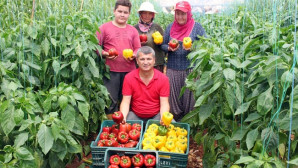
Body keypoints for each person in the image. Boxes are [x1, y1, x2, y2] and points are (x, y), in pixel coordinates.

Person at [161, 1, 206, 121]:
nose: (180, 17)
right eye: (178, 13)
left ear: (189, 14)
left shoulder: (197, 27)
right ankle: (177, 124)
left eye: (183, 14)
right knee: (173, 98)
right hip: (172, 68)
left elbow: (206, 45)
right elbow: (163, 45)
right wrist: (169, 48)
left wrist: (193, 48)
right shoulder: (170, 27)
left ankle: (189, 123)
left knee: (190, 99)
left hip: (190, 69)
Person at [96, 0, 141, 119]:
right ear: (114, 11)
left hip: (129, 72)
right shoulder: (104, 28)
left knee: (127, 99)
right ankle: (111, 126)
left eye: (125, 12)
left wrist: (135, 54)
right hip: (111, 71)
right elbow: (95, 47)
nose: (122, 14)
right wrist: (105, 54)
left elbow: (137, 48)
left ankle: (126, 125)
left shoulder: (132, 30)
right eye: (120, 11)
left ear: (129, 14)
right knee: (111, 100)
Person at [120, 46, 170, 124]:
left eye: (149, 59)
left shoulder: (163, 79)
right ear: (137, 61)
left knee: (171, 125)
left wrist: (163, 118)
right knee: (124, 126)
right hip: (135, 116)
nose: (145, 62)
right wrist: (123, 117)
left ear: (154, 61)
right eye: (142, 59)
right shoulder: (129, 77)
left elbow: (164, 103)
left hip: (156, 116)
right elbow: (126, 101)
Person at [134, 2, 165, 73]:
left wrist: (160, 43)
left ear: (153, 15)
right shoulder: (134, 29)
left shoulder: (157, 27)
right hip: (141, 63)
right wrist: (138, 44)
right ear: (140, 14)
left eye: (150, 13)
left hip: (156, 62)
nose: (147, 16)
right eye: (144, 13)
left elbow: (164, 44)